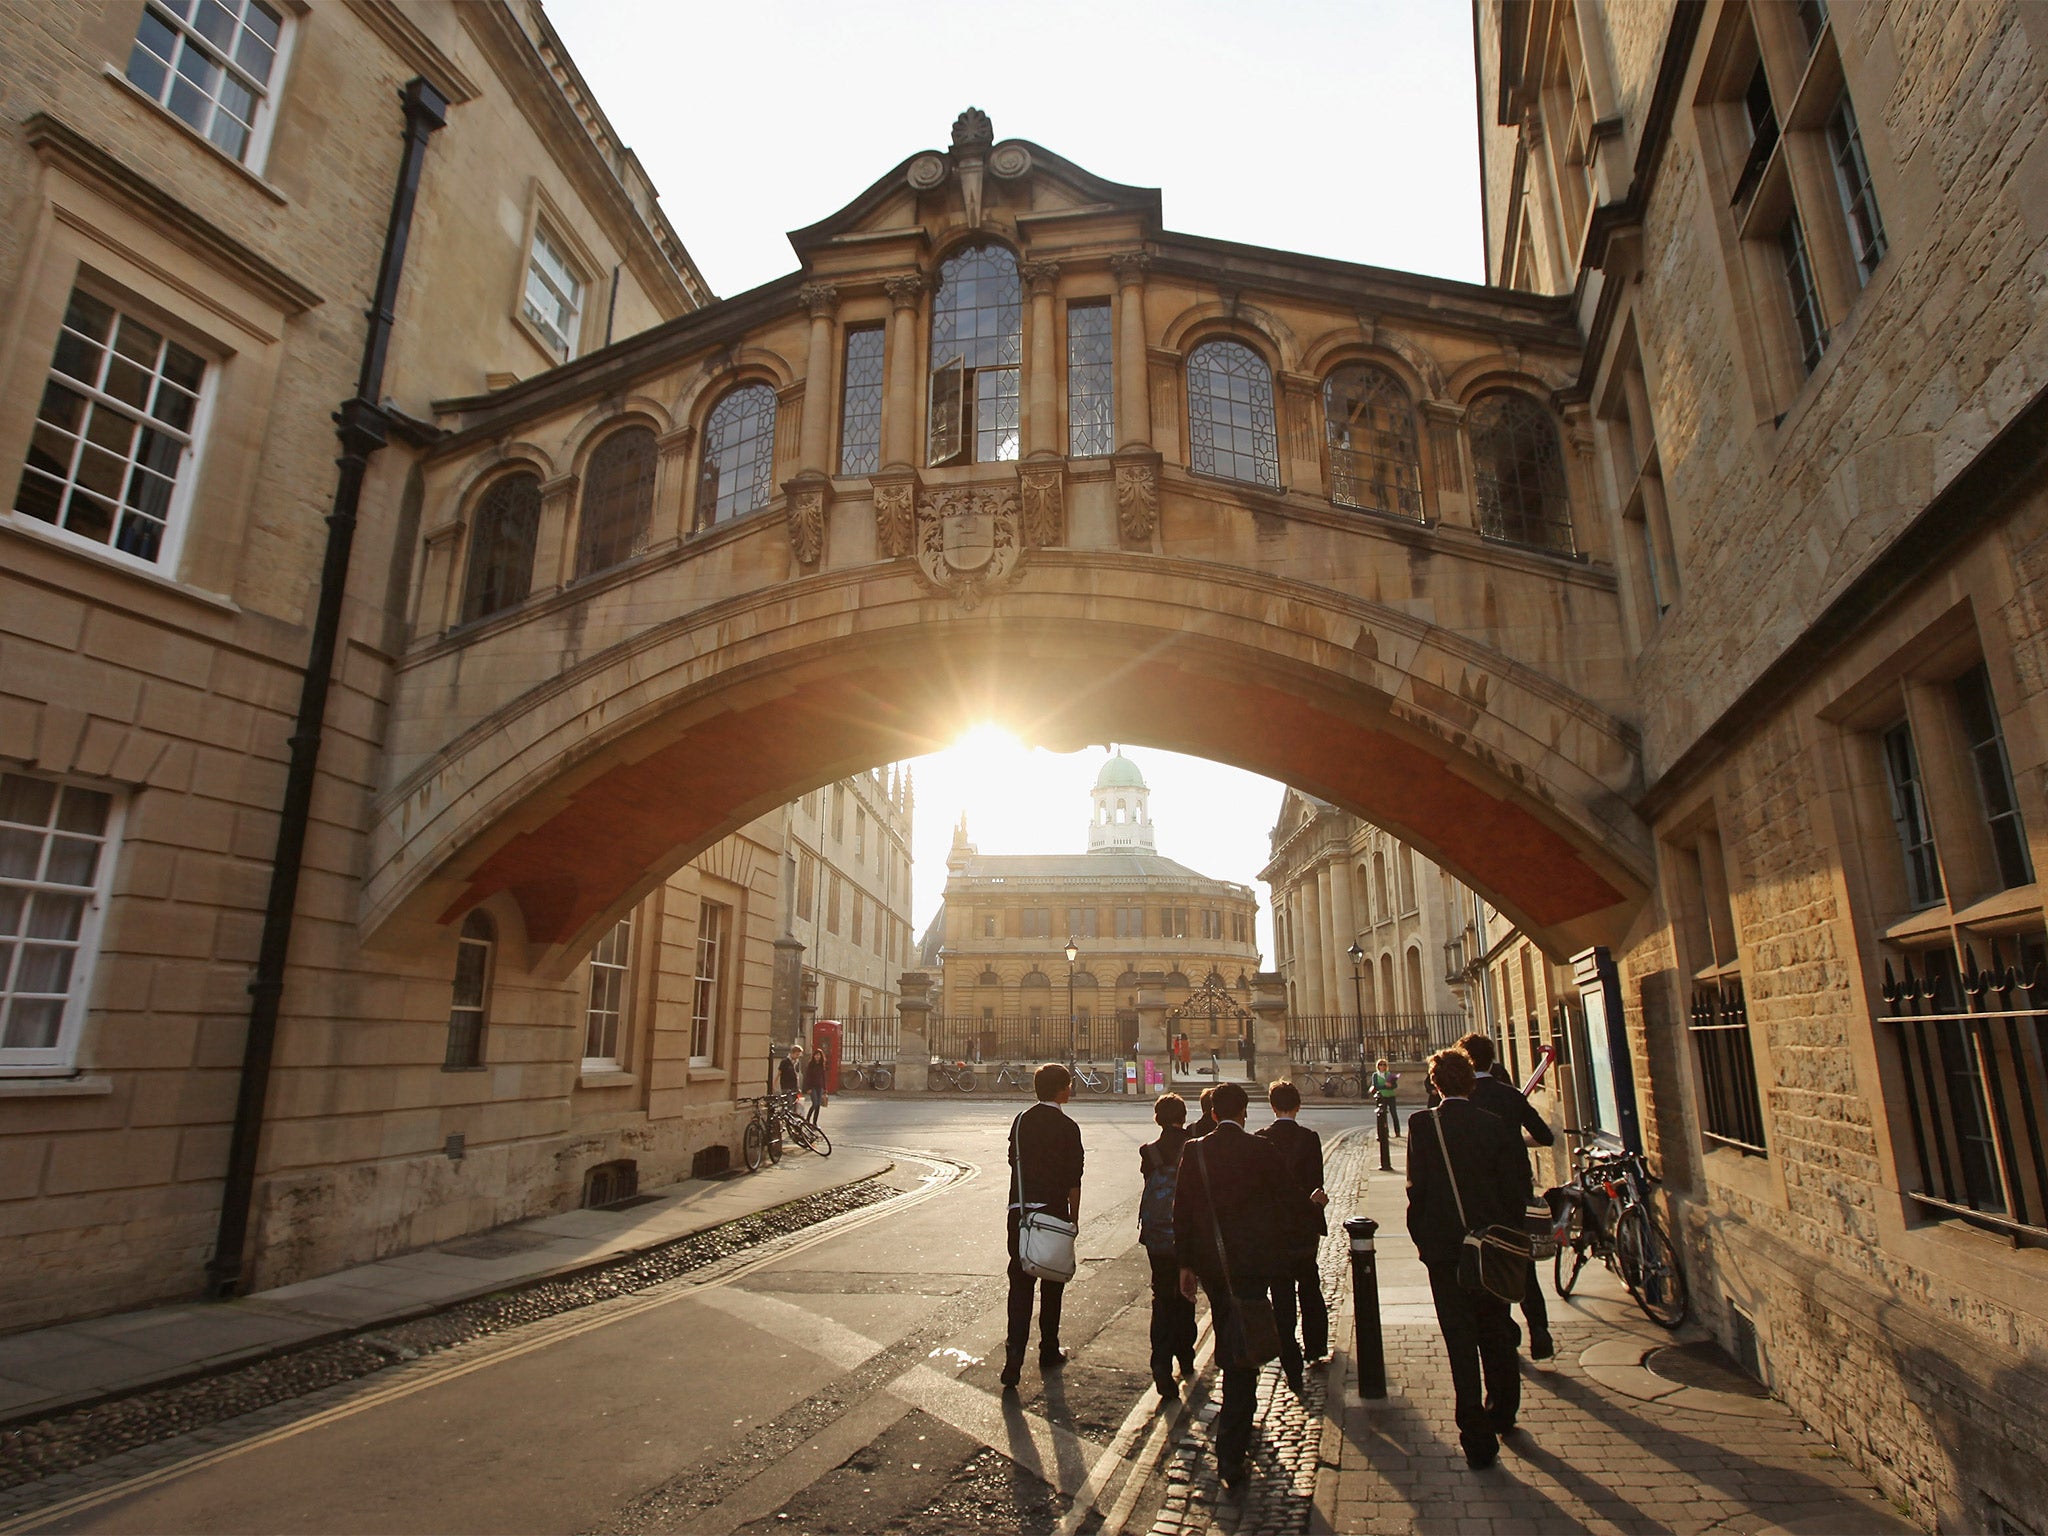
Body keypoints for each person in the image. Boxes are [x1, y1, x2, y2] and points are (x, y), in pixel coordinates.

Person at [1175, 1080, 1311, 1496]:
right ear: (1244, 1112)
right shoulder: (1261, 1150)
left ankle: (1232, 1445)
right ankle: (1234, 1445)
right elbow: (1290, 1204)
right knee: (1243, 1347)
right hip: (1255, 1266)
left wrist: (1185, 1265)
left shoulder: (1194, 1150)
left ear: (1213, 1114)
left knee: (1231, 1336)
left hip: (1215, 1268)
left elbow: (1181, 1211)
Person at [1406, 1047, 1532, 1470]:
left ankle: (1475, 1433)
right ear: (1471, 1083)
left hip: (1446, 1251)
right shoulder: (1494, 1125)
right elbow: (1516, 1187)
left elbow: (1416, 1192)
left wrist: (1424, 1244)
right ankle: (1504, 1410)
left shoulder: (1423, 1125)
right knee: (1496, 1328)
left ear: (1434, 1084)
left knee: (1459, 1339)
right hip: (1491, 1247)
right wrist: (1504, 1235)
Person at [1456, 1031, 1556, 1359]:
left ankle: (1506, 1331)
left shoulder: (1464, 1098)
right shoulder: (1510, 1095)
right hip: (1515, 1190)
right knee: (1521, 1261)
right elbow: (1544, 1136)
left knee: (1488, 1263)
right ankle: (1539, 1329)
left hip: (1478, 1195)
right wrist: (1517, 1143)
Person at [1003, 1062, 1084, 1388]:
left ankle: (1014, 1356)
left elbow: (1013, 1159)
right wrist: (1073, 1219)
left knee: (1020, 1285)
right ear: (1062, 1090)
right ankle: (1048, 1349)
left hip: (1019, 1211)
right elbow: (1073, 1180)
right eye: (1068, 1085)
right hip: (1052, 1213)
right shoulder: (1068, 1127)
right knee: (1052, 1284)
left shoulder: (1021, 1121)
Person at [1257, 1080, 1330, 1394]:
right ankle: (1315, 1347)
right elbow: (1317, 1182)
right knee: (1310, 1286)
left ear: (1272, 1106)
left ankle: (1291, 1361)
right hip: (1303, 1226)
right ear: (1297, 1105)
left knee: (1281, 1294)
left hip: (1274, 1228)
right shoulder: (1309, 1138)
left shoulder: (1261, 1140)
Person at [1138, 1092, 1197, 1398]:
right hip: (1187, 1233)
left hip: (1157, 1236)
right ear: (1183, 1116)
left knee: (1161, 1297)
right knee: (1186, 1294)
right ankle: (1185, 1357)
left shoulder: (1148, 1151)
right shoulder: (1195, 1147)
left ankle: (1160, 1366)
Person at [1370, 1057, 1402, 1138]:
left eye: (1384, 1065)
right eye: (1381, 1064)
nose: (1382, 1066)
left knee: (1394, 1114)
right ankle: (1385, 1132)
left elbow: (1395, 1085)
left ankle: (1397, 1132)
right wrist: (1385, 1085)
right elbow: (1376, 1086)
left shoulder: (1389, 1074)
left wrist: (1391, 1085)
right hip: (1381, 1097)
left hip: (1391, 1096)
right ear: (1378, 1066)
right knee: (1382, 1116)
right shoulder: (1375, 1075)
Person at [803, 1045, 827, 1126]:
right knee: (815, 1103)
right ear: (813, 1056)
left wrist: (825, 1089)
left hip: (819, 1087)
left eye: (819, 1055)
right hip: (812, 1087)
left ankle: (814, 1122)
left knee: (818, 1106)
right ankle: (807, 1119)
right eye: (816, 1055)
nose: (817, 1056)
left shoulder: (821, 1065)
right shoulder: (811, 1065)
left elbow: (823, 1077)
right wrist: (807, 1088)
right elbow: (807, 1077)